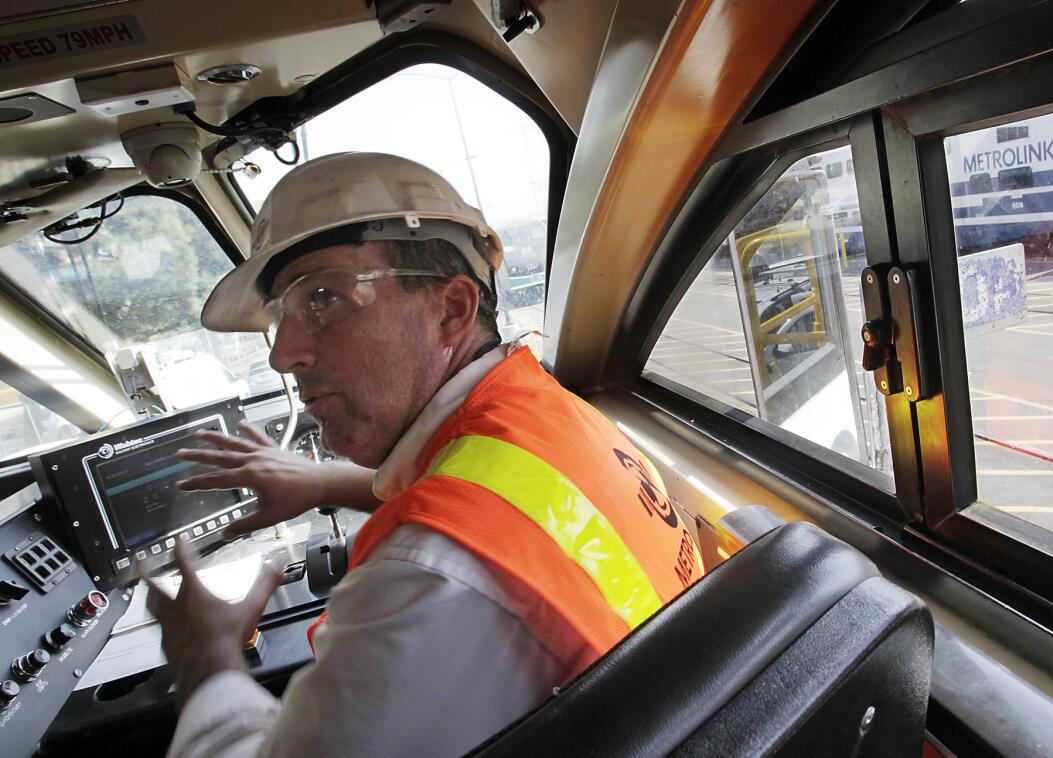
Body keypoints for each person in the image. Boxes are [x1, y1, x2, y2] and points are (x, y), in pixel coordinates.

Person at [148, 152, 704, 757]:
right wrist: (323, 483)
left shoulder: (428, 571)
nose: (283, 354)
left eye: (323, 299)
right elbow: (503, 498)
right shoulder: (543, 411)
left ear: (451, 310)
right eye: (282, 315)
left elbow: (458, 542)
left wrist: (205, 660)